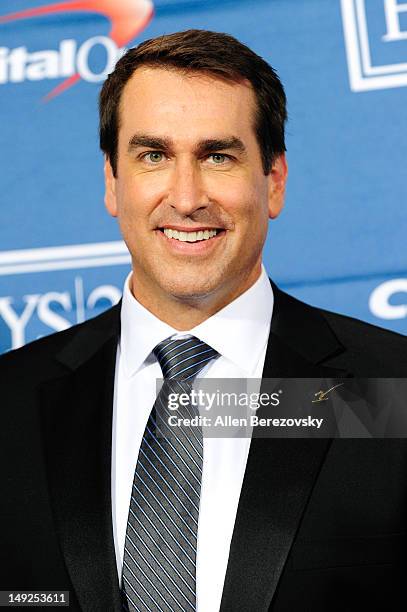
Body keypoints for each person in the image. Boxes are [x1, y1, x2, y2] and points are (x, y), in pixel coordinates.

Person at [1, 29, 406, 612]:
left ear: (274, 181)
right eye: (154, 156)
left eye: (218, 155)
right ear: (113, 182)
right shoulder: (10, 402)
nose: (187, 197)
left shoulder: (389, 391)